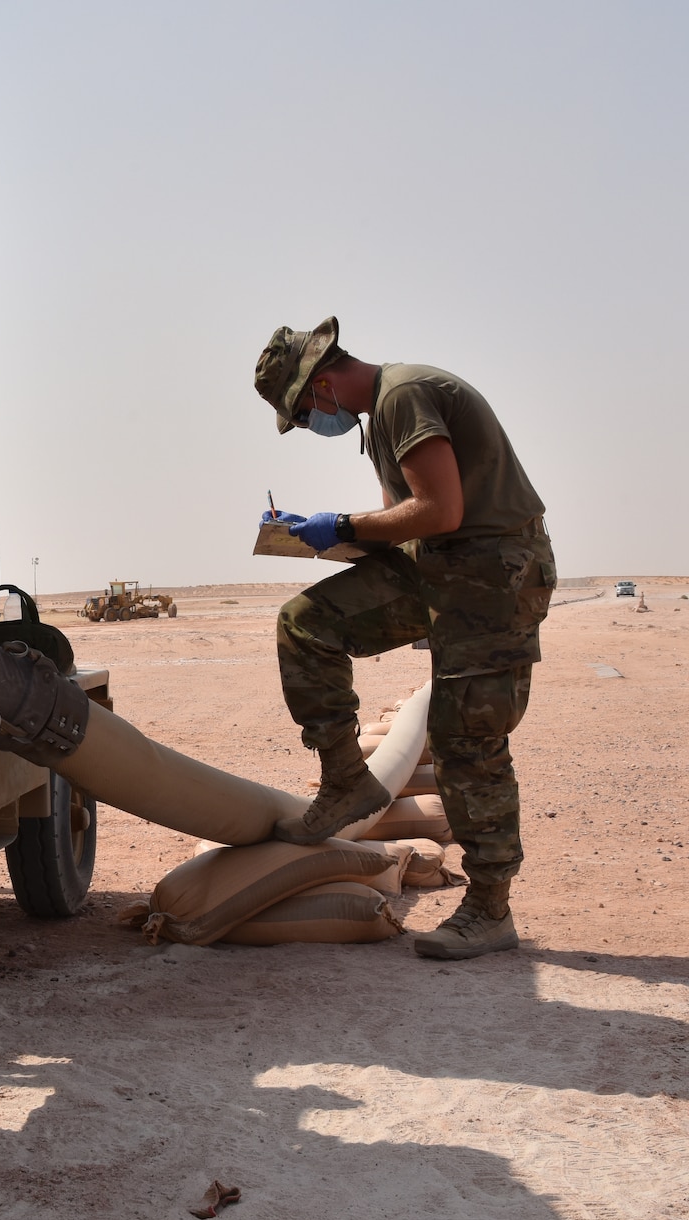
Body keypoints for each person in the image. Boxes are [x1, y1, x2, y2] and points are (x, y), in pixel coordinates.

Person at [253, 317, 555, 960]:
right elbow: (408, 524)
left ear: (323, 384)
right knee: (306, 623)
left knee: (464, 735)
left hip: (490, 575)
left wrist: (344, 521)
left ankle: (490, 907)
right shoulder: (382, 420)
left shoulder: (402, 396)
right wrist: (324, 534)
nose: (312, 426)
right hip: (439, 566)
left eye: (305, 414)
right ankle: (347, 782)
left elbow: (440, 511)